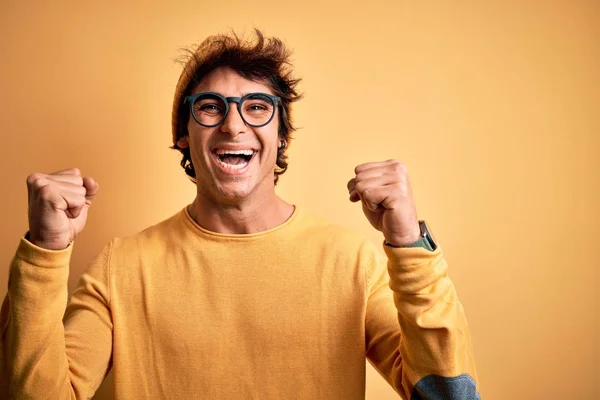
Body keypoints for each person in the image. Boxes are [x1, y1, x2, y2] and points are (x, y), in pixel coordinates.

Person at [0, 30, 479, 399]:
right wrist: (44, 252)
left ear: (282, 138)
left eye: (256, 107)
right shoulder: (120, 267)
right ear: (184, 135)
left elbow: (448, 396)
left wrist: (409, 246)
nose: (233, 125)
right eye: (210, 107)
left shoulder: (353, 261)